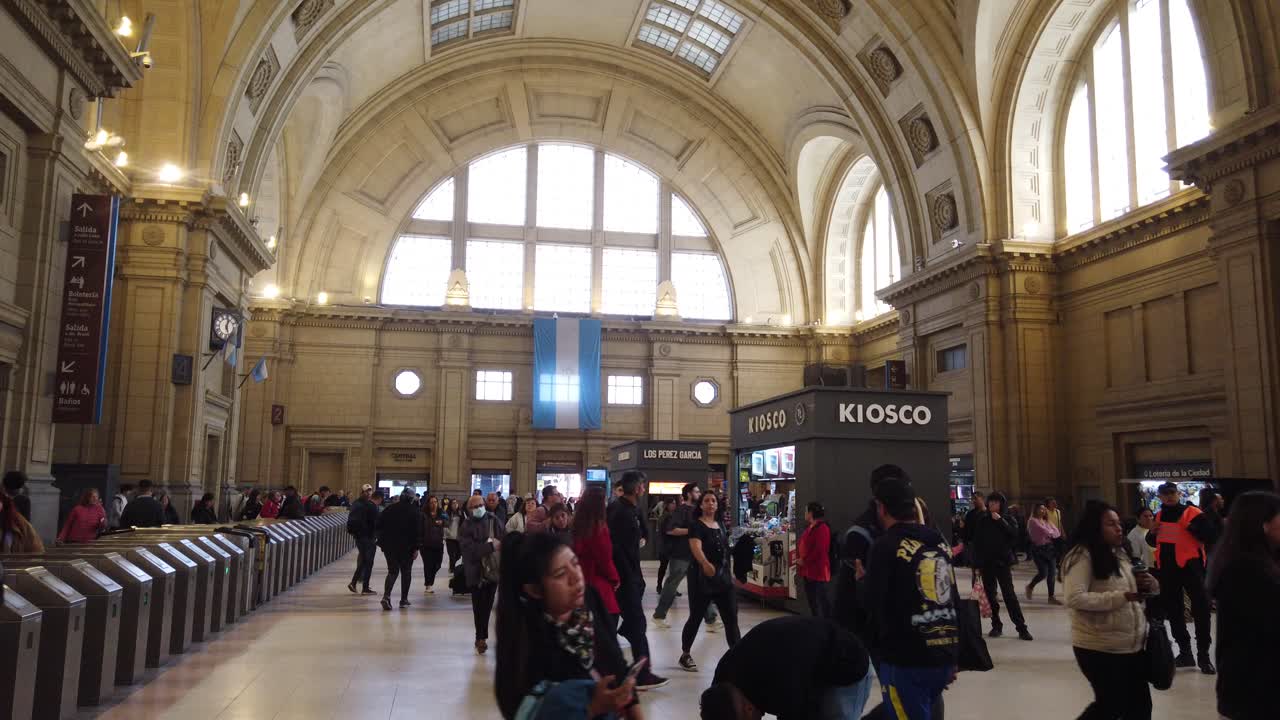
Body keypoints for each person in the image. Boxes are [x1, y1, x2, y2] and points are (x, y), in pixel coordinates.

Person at [494, 531, 643, 720]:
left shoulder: (590, 599)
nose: (576, 578)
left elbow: (618, 666)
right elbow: (521, 711)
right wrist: (592, 708)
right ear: (535, 590)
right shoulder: (526, 639)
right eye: (560, 574)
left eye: (575, 563)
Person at [859, 475, 958, 720]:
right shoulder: (938, 543)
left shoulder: (886, 546)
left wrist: (863, 580)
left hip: (906, 660)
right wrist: (955, 655)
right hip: (941, 654)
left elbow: (873, 602)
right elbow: (951, 598)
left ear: (881, 507)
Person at [1061, 500, 1158, 720]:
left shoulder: (1121, 553)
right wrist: (1121, 597)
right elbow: (1074, 597)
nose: (1118, 528)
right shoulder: (1082, 556)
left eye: (1118, 523)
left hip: (1131, 646)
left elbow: (1132, 588)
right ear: (1095, 527)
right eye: (1110, 524)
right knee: (1110, 706)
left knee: (1140, 708)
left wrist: (1150, 584)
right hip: (1099, 647)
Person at [699, 616, 872, 720]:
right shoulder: (722, 682)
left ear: (748, 709)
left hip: (847, 666)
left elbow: (801, 711)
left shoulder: (785, 687)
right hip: (804, 659)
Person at [1207, 491, 1280, 720]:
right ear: (1263, 523)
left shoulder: (1261, 562)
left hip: (1254, 688)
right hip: (1254, 691)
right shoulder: (1246, 569)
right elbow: (1267, 628)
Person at [608, 471, 668, 690]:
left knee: (627, 623)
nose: (644, 489)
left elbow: (640, 534)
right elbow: (617, 549)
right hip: (623, 577)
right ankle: (641, 674)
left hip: (630, 574)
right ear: (635, 488)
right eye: (642, 486)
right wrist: (627, 577)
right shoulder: (619, 511)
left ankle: (622, 669)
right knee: (636, 623)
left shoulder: (631, 510)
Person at [1147, 481, 1214, 673]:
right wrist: (1152, 533)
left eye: (1172, 493)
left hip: (1192, 569)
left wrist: (1190, 528)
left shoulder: (1192, 513)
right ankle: (1185, 653)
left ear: (1178, 494)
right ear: (1159, 496)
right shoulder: (1158, 515)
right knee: (1174, 611)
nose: (1169, 496)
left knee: (1201, 610)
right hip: (1168, 570)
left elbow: (1210, 535)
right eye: (1165, 494)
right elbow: (1153, 541)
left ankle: (1204, 655)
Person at [680, 491, 741, 672]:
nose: (710, 503)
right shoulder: (695, 525)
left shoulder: (720, 524)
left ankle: (737, 654)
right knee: (696, 617)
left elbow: (725, 549)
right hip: (702, 577)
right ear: (701, 505)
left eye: (713, 500)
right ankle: (685, 653)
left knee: (731, 617)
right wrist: (705, 563)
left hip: (723, 578)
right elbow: (695, 547)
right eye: (706, 500)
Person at [653, 483, 718, 632]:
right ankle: (659, 616)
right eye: (696, 491)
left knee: (702, 585)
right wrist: (692, 531)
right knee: (671, 585)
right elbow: (671, 530)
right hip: (681, 554)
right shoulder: (681, 510)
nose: (699, 493)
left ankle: (711, 619)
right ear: (688, 494)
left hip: (696, 554)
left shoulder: (698, 511)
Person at [972, 491, 1033, 640]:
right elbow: (977, 543)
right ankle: (996, 625)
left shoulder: (1008, 519)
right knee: (991, 596)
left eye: (995, 502)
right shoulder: (983, 520)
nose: (992, 504)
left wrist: (1000, 521)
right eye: (991, 502)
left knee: (1009, 595)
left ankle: (1021, 627)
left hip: (1003, 563)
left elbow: (1014, 536)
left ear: (1001, 504)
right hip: (987, 563)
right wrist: (976, 565)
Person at [460, 493, 503, 653]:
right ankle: (480, 637)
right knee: (478, 607)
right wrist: (490, 546)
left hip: (493, 570)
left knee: (488, 604)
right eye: (474, 506)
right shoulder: (466, 526)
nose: (478, 508)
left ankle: (482, 635)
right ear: (469, 509)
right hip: (475, 572)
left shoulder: (494, 520)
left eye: (480, 505)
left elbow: (502, 541)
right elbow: (469, 551)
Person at [572, 486, 621, 620]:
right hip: (599, 584)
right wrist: (614, 578)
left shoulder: (577, 525)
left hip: (581, 581)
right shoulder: (599, 528)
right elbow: (604, 558)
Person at [376, 488, 421, 610]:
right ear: (411, 499)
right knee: (406, 572)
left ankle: (386, 596)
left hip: (390, 546)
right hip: (407, 548)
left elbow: (379, 525)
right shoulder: (414, 511)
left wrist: (382, 542)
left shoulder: (389, 509)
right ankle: (404, 599)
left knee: (392, 571)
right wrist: (416, 548)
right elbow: (417, 531)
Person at [798, 501, 833, 619]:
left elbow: (820, 550)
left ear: (811, 513)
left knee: (820, 601)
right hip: (809, 571)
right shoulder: (811, 527)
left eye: (806, 510)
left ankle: (823, 625)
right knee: (813, 602)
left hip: (818, 571)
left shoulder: (822, 528)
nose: (804, 513)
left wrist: (805, 560)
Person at [1026, 503, 1062, 604]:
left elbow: (1057, 532)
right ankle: (1030, 586)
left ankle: (1051, 597)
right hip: (1038, 549)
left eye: (1044, 509)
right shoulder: (1032, 521)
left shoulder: (1047, 521)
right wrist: (1051, 533)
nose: (1043, 511)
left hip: (1050, 548)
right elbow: (1046, 532)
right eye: (1040, 509)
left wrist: (1051, 532)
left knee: (1052, 573)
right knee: (1043, 573)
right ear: (1036, 510)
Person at [347, 484, 380, 595]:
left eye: (370, 491)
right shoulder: (364, 505)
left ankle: (355, 582)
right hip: (365, 537)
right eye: (366, 491)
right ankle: (363, 587)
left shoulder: (361, 504)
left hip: (363, 536)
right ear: (362, 492)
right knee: (368, 561)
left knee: (365, 560)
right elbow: (372, 521)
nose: (368, 493)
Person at [420, 495, 447, 594]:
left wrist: (443, 522)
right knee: (428, 565)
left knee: (437, 565)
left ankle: (430, 580)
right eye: (431, 502)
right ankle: (428, 584)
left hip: (438, 543)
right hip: (426, 544)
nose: (433, 504)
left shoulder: (441, 513)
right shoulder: (423, 514)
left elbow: (448, 522)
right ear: (428, 503)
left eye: (435, 502)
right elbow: (419, 528)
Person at [1197, 488, 1225, 562]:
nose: (1223, 501)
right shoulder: (1211, 514)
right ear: (1214, 500)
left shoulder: (1205, 513)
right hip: (1212, 553)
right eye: (1221, 499)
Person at [656, 498, 677, 592]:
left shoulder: (670, 516)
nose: (674, 505)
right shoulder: (667, 516)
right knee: (666, 567)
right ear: (667, 505)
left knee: (668, 568)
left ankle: (665, 587)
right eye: (672, 503)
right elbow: (668, 531)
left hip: (668, 546)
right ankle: (661, 586)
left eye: (675, 503)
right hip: (667, 546)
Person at [445, 498, 463, 573]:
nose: (455, 504)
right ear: (450, 505)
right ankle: (452, 568)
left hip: (459, 538)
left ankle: (452, 564)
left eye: (456, 503)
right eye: (453, 503)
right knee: (452, 555)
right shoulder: (447, 514)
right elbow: (444, 525)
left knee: (458, 555)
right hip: (450, 538)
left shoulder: (461, 513)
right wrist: (448, 533)